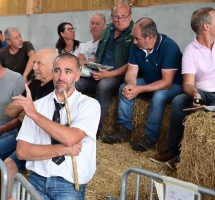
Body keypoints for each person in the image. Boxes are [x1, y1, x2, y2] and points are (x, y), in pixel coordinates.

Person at [15, 53, 100, 199]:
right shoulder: (37, 105)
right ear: (52, 73)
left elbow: (70, 138)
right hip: (37, 180)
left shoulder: (89, 105)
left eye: (68, 71)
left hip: (68, 185)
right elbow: (22, 152)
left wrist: (35, 115)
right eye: (57, 71)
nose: (61, 77)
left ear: (77, 75)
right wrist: (62, 149)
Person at [0, 48, 58, 200]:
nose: (34, 67)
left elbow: (41, 120)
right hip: (20, 135)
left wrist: (26, 111)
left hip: (38, 141)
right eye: (34, 63)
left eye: (39, 63)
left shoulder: (56, 89)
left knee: (9, 164)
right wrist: (25, 110)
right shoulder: (33, 85)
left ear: (53, 65)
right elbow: (9, 112)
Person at [102, 18, 183, 152]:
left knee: (159, 96)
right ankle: (124, 131)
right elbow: (131, 72)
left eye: (137, 38)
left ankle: (149, 137)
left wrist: (139, 89)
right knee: (124, 87)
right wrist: (131, 86)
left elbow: (166, 82)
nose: (134, 41)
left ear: (150, 37)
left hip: (173, 84)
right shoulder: (136, 46)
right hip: (151, 79)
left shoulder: (169, 47)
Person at [149, 7, 215, 169]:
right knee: (179, 100)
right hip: (204, 93)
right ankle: (173, 151)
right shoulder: (191, 51)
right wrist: (196, 94)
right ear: (206, 26)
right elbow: (188, 84)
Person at [75, 3, 133, 139]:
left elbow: (132, 64)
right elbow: (98, 54)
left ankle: (95, 129)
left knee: (103, 86)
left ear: (130, 16)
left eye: (123, 17)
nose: (119, 20)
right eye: (116, 17)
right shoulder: (108, 31)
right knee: (75, 82)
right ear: (112, 17)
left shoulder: (133, 34)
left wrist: (109, 74)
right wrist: (90, 66)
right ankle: (72, 122)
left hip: (117, 74)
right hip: (100, 71)